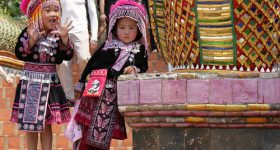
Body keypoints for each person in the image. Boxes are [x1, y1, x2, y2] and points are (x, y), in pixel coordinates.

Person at [67, 0, 149, 149]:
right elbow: (91, 63)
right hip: (93, 92)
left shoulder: (139, 50)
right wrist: (80, 85)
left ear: (138, 30)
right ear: (114, 28)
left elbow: (143, 66)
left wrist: (134, 69)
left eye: (131, 28)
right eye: (122, 27)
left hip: (112, 97)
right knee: (87, 129)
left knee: (102, 133)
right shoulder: (108, 45)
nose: (126, 31)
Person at [10, 0, 74, 149]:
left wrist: (65, 39)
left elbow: (65, 56)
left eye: (56, 10)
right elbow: (19, 53)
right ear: (37, 13)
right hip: (30, 83)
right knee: (29, 124)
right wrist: (31, 41)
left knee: (47, 124)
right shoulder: (28, 32)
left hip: (50, 84)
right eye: (48, 11)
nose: (53, 14)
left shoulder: (57, 35)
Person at [58, 0, 99, 102]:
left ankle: (85, 88)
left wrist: (94, 36)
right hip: (64, 31)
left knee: (84, 58)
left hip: (81, 29)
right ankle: (69, 97)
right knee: (63, 63)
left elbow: (93, 13)